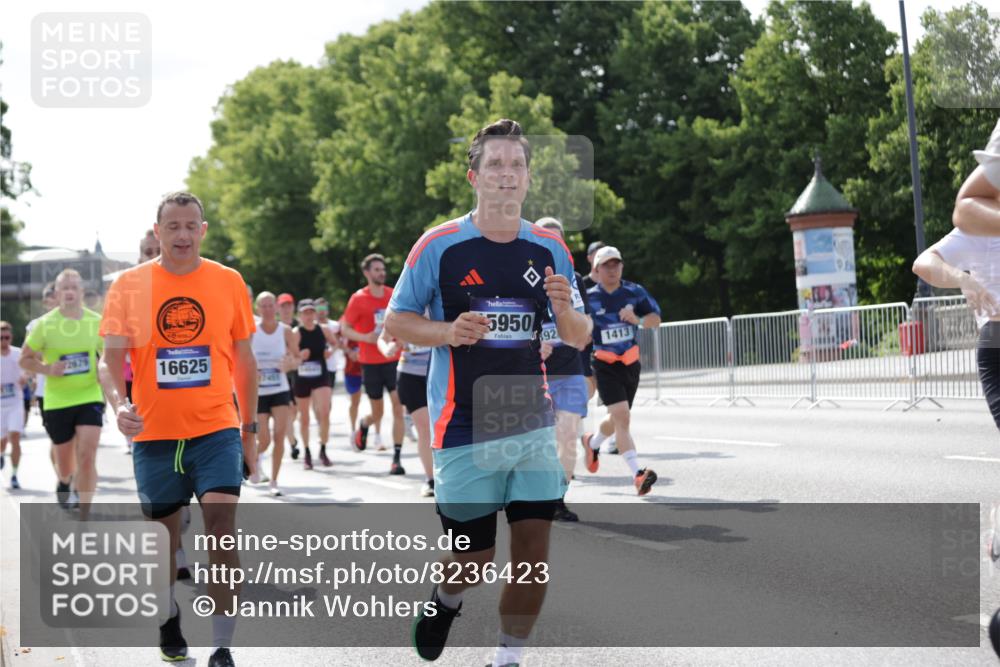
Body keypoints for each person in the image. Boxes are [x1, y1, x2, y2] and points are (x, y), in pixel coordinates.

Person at [386, 118, 590, 666]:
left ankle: (508, 659)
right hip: (464, 426)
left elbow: (577, 336)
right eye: (495, 164)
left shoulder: (549, 246)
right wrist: (447, 332)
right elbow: (396, 321)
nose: (507, 174)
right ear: (473, 175)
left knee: (532, 553)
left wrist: (567, 309)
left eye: (516, 165)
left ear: (527, 179)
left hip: (530, 422)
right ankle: (447, 598)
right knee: (474, 559)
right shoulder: (440, 245)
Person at [98, 191, 257, 667]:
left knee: (222, 531)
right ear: (157, 231)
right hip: (154, 434)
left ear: (203, 231)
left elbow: (244, 361)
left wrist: (249, 430)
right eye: (173, 227)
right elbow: (109, 362)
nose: (183, 235)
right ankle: (168, 617)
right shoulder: (128, 286)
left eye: (192, 226)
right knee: (164, 542)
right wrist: (118, 405)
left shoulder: (228, 282)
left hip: (217, 429)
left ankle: (223, 645)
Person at [21, 269, 105, 516]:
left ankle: (85, 513)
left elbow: (109, 356)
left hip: (89, 395)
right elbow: (25, 360)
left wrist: (104, 369)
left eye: (74, 288)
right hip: (58, 401)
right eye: (64, 288)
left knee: (87, 455)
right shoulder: (44, 325)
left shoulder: (95, 322)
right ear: (57, 294)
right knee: (67, 464)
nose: (69, 292)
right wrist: (47, 368)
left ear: (81, 292)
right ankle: (65, 480)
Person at [581, 245, 662, 496]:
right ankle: (638, 474)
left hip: (630, 363)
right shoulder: (590, 297)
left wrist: (636, 319)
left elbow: (656, 320)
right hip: (604, 363)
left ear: (622, 266)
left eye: (616, 264)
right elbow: (577, 329)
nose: (612, 269)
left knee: (618, 418)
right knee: (623, 416)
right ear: (597, 269)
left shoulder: (634, 292)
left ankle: (592, 443)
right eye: (607, 264)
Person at [535, 218, 594, 522]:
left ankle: (558, 499)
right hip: (530, 373)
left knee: (568, 434)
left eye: (559, 242)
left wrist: (583, 334)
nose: (553, 247)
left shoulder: (574, 280)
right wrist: (532, 344)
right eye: (547, 240)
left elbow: (586, 321)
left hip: (569, 369)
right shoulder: (522, 277)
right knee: (536, 442)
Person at [342, 254, 405, 457]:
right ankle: (364, 423)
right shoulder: (358, 298)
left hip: (394, 359)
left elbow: (405, 319)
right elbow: (345, 328)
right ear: (367, 273)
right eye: (377, 269)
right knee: (378, 413)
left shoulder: (393, 294)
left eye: (383, 269)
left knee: (398, 405)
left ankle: (397, 457)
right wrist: (364, 337)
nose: (382, 273)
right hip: (370, 362)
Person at [251, 291, 298, 495]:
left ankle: (274, 481)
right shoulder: (251, 331)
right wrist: (253, 371)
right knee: (265, 439)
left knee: (280, 436)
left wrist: (290, 365)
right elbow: (239, 360)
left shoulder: (286, 331)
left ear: (277, 308)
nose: (268, 309)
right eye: (264, 306)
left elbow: (297, 359)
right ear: (258, 309)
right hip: (259, 392)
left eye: (271, 305)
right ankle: (253, 459)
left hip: (280, 389)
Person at [377, 324, 431, 481]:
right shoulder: (402, 308)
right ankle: (431, 481)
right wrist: (387, 349)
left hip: (440, 373)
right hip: (411, 375)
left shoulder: (440, 305)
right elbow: (383, 338)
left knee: (443, 427)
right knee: (424, 427)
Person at [292, 299, 340, 469]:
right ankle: (306, 452)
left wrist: (330, 351)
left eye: (311, 312)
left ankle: (323, 449)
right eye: (305, 312)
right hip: (302, 377)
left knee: (325, 412)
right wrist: (299, 355)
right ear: (299, 315)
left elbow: (335, 343)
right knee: (304, 418)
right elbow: (289, 355)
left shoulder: (324, 329)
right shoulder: (296, 333)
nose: (309, 315)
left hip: (321, 374)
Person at [1, 321, 27, 489]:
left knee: (15, 437)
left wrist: (26, 378)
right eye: (0, 337)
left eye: (7, 337)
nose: (4, 340)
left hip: (16, 403)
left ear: (11, 337)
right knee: (2, 441)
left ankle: (14, 475)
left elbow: (28, 370)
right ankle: (2, 454)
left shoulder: (18, 354)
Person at [276, 292, 301, 459]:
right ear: (278, 308)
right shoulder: (275, 327)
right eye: (283, 306)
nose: (286, 309)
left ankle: (289, 435)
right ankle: (292, 443)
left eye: (289, 305)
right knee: (288, 409)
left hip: (298, 372)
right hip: (281, 373)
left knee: (295, 411)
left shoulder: (299, 325)